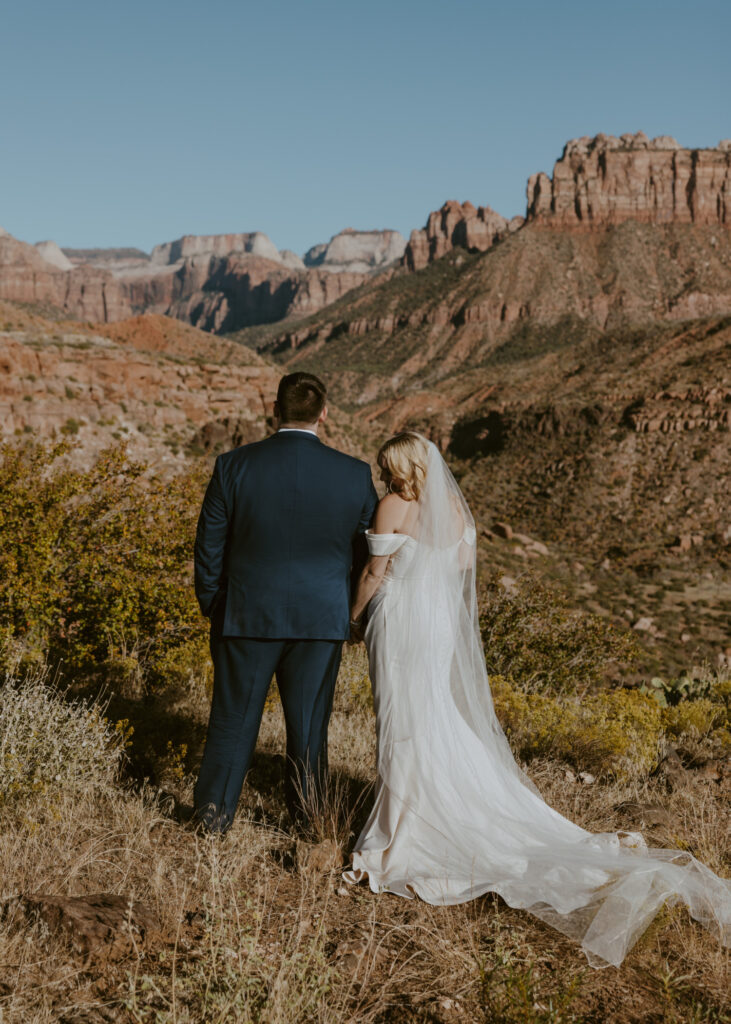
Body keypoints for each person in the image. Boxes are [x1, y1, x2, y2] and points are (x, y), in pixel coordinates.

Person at [344, 431, 730, 968]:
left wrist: (353, 617)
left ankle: (405, 829)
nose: (385, 474)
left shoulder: (393, 505)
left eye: (388, 465)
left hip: (399, 621)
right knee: (431, 715)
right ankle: (425, 805)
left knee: (401, 718)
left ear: (401, 467)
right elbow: (458, 569)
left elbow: (373, 571)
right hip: (433, 626)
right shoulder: (453, 510)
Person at [193, 371, 377, 834]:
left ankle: (212, 822)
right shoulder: (354, 474)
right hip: (321, 619)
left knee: (233, 721)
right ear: (324, 413)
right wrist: (351, 614)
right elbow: (366, 553)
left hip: (246, 614)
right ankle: (309, 824)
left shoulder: (232, 465)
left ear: (275, 410)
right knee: (310, 730)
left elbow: (209, 546)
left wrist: (215, 603)